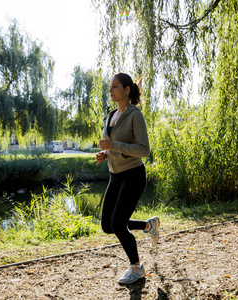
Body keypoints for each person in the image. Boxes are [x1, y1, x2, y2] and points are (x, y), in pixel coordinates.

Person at [96, 72, 160, 285]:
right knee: (107, 225)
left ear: (127, 90)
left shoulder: (135, 115)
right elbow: (111, 146)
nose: (110, 90)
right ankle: (148, 226)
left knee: (117, 223)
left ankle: (136, 267)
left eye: (115, 86)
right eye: (110, 87)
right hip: (115, 176)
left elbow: (144, 150)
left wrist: (113, 146)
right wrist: (104, 154)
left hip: (133, 175)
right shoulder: (109, 116)